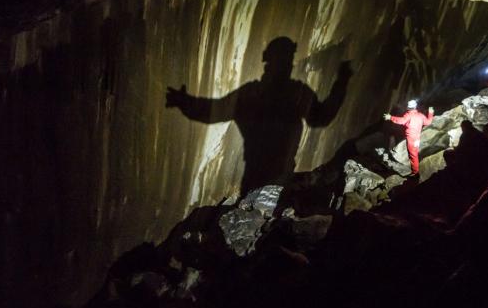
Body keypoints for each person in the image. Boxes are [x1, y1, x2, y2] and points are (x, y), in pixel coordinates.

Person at [166, 36, 353, 194]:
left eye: (287, 59)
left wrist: (184, 101)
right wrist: (341, 84)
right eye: (284, 59)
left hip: (264, 180)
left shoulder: (262, 93)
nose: (286, 64)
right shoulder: (290, 93)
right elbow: (321, 118)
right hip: (271, 180)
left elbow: (214, 111)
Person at [384, 99, 434, 176]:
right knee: (415, 154)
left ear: (408, 107)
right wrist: (430, 113)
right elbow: (428, 122)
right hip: (417, 138)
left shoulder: (409, 115)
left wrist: (390, 117)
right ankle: (416, 170)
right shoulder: (420, 115)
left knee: (413, 155)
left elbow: (401, 121)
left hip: (411, 139)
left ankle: (415, 173)